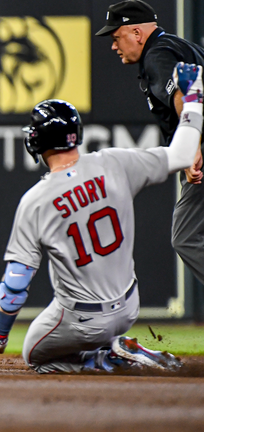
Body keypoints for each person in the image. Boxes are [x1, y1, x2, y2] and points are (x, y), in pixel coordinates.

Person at [0, 63, 203, 373]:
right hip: (129, 306)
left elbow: (16, 283)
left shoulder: (35, 201)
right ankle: (115, 347)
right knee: (85, 319)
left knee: (35, 356)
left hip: (82, 319)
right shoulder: (115, 162)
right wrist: (194, 97)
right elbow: (183, 155)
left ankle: (105, 358)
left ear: (36, 140)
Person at [95, 0, 204, 284]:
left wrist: (193, 144)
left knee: (187, 237)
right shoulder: (180, 45)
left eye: (116, 37)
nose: (113, 45)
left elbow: (184, 89)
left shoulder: (156, 55)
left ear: (137, 33)